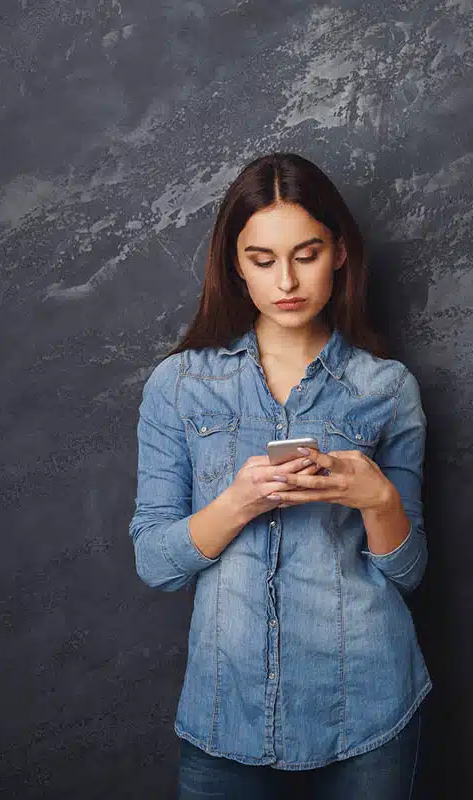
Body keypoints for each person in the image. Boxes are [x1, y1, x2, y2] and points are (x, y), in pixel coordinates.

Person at [129, 153, 428, 800]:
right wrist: (237, 502)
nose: (286, 281)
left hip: (366, 703)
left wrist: (378, 500)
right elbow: (155, 562)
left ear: (339, 253)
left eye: (306, 255)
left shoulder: (386, 387)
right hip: (226, 710)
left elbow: (408, 573)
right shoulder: (180, 384)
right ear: (235, 265)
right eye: (262, 260)